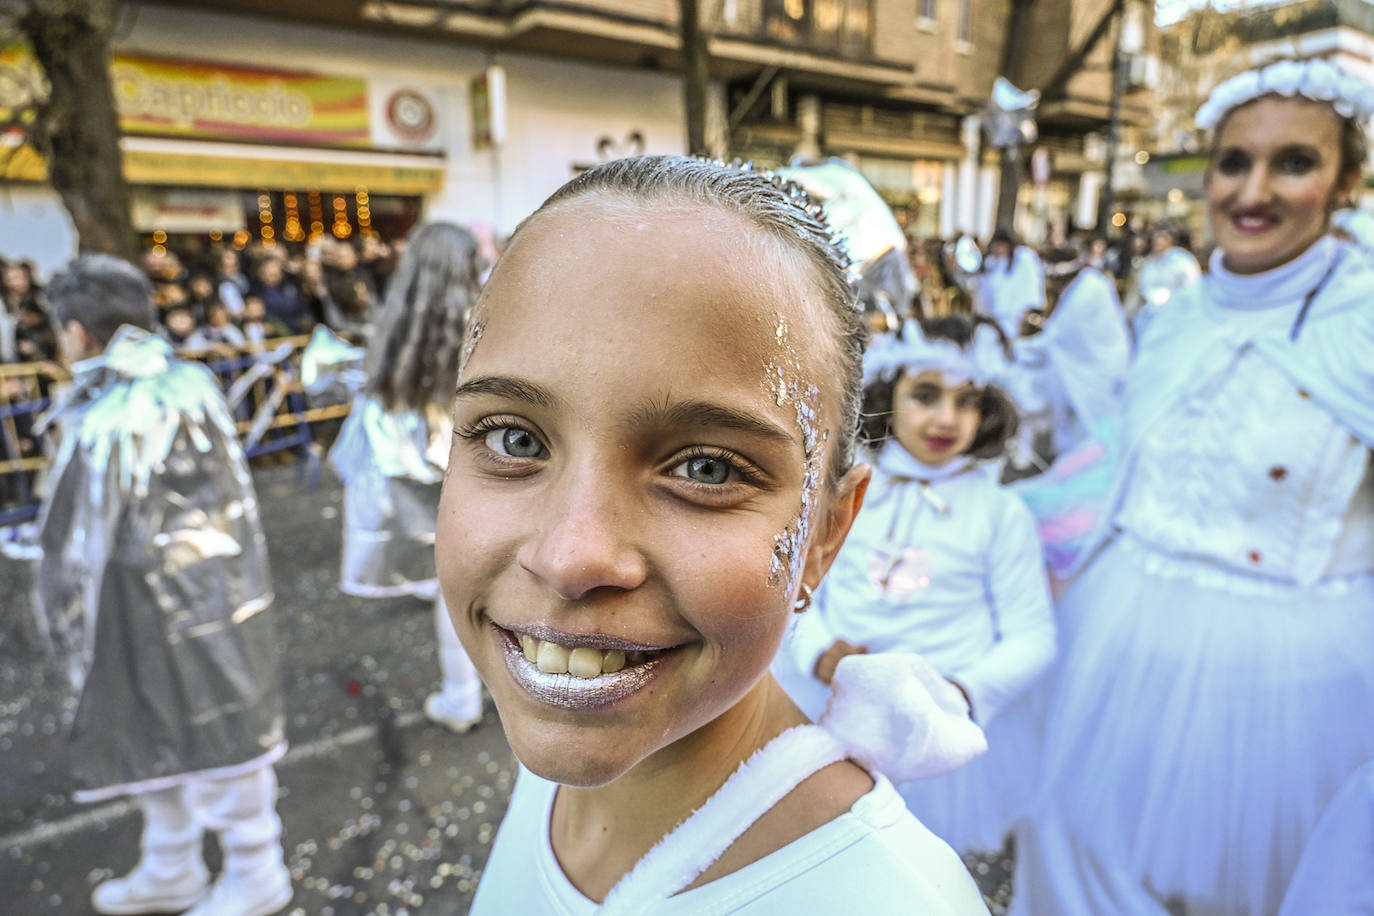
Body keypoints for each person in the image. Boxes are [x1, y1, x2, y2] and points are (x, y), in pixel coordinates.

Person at [438, 156, 990, 914]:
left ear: (826, 535)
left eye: (704, 467)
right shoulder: (560, 762)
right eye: (514, 441)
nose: (570, 557)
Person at [1012, 58, 1374, 916]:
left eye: (1293, 162)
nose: (1253, 190)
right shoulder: (1171, 321)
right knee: (1078, 866)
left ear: (1347, 181)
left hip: (1300, 695)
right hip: (1114, 657)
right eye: (1232, 162)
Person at [33, 254, 291, 916]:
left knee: (219, 733)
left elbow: (72, 540)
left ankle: (254, 870)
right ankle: (172, 862)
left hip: (161, 597)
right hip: (199, 590)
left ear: (78, 335)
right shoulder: (186, 382)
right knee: (170, 728)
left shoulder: (115, 411)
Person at [775, 314, 1056, 856]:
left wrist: (958, 692)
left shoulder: (999, 513)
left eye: (966, 401)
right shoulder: (847, 492)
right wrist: (817, 650)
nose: (946, 417)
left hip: (937, 734)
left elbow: (1033, 639)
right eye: (925, 395)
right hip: (830, 708)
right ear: (887, 394)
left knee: (920, 866)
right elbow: (796, 591)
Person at [329, 222, 487, 733]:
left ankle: (462, 695)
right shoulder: (488, 320)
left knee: (449, 586)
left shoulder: (395, 327)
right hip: (487, 474)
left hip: (425, 480)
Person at [1013, 245, 1132, 461]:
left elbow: (1055, 338)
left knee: (1092, 432)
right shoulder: (1088, 284)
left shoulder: (1086, 293)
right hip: (1095, 365)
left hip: (1096, 370)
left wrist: (1014, 350)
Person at [1122, 225, 1202, 338]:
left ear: (1170, 240)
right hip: (1147, 317)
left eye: (1161, 237)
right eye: (1155, 238)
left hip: (1175, 317)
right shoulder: (1149, 262)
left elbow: (1192, 288)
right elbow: (1139, 290)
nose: (1157, 241)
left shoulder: (1183, 261)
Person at [979, 226, 1045, 340]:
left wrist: (1028, 310)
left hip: (1017, 316)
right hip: (995, 317)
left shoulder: (1024, 258)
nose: (998, 249)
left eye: (1001, 245)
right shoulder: (992, 262)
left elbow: (1032, 283)